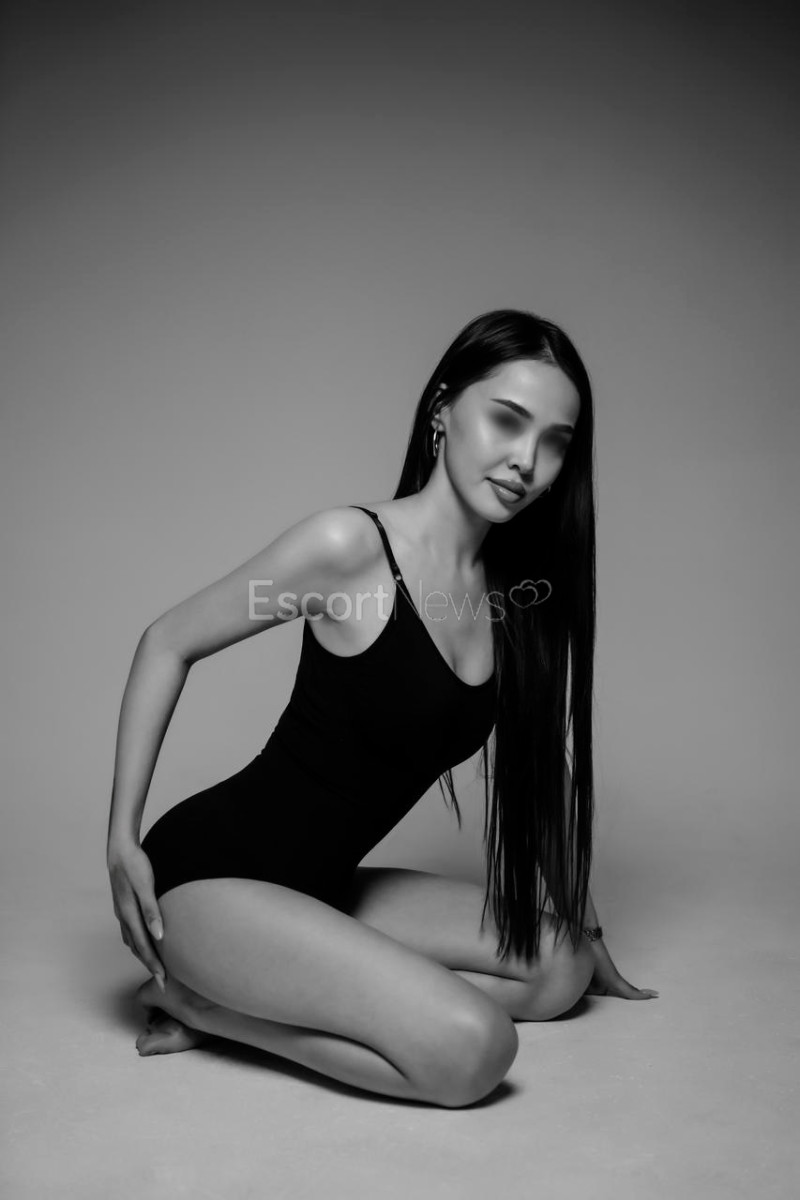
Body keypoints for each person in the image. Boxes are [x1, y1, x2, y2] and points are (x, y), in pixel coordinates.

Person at [106, 308, 658, 1110]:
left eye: (555, 441)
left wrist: (589, 927)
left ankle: (306, 985)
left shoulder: (512, 598)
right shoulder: (349, 550)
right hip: (212, 880)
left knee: (562, 967)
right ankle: (207, 1006)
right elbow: (167, 641)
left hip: (325, 887)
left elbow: (544, 772)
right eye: (507, 420)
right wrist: (121, 838)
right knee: (475, 1051)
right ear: (442, 410)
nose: (526, 460)